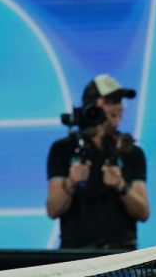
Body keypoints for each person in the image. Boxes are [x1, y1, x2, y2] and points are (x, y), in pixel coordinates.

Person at [46, 74, 149, 249]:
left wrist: (121, 186)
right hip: (77, 256)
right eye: (112, 100)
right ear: (93, 104)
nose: (119, 106)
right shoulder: (63, 149)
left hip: (122, 255)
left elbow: (143, 212)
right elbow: (53, 210)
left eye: (120, 101)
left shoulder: (132, 152)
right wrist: (71, 182)